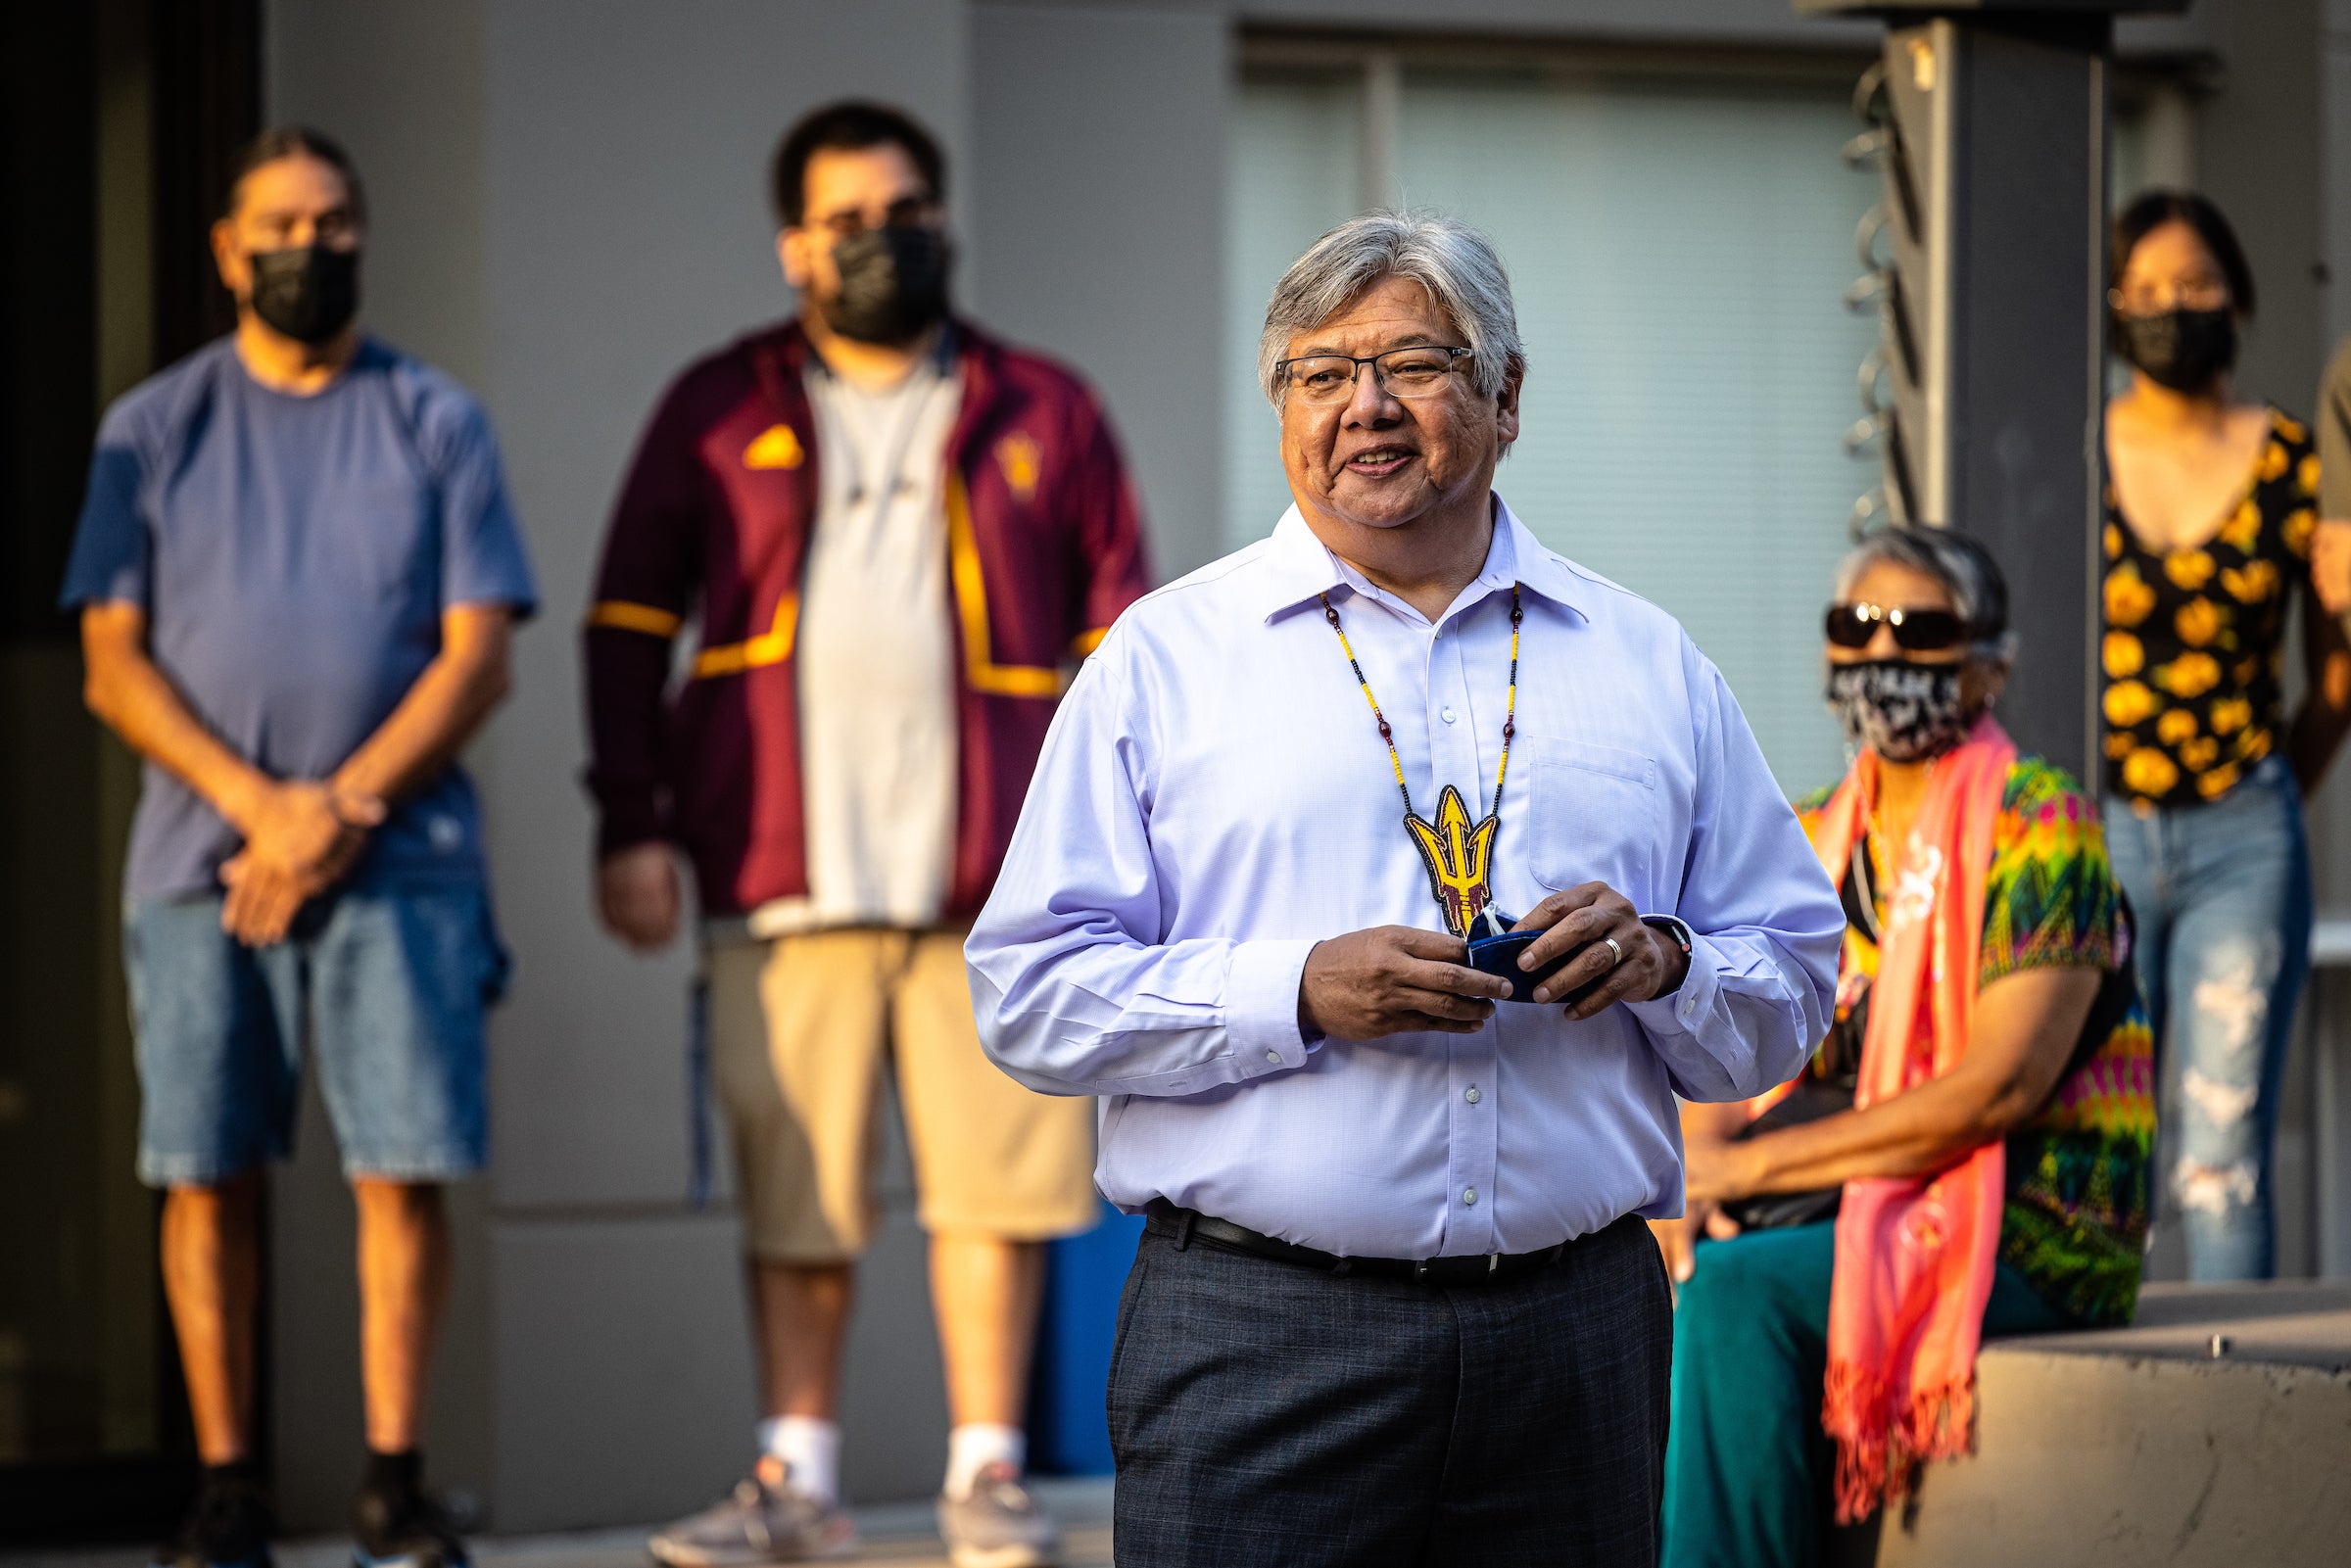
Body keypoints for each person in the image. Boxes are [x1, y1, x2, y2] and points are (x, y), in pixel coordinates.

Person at [964, 211, 1845, 1568]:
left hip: (1578, 1340)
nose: (1365, 408)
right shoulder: (1167, 661)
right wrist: (1293, 991)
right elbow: (1026, 995)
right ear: (1281, 410)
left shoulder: (1648, 662)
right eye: (1321, 374)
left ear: (1505, 399)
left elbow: (1793, 976)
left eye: (1416, 366)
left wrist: (1668, 960)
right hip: (1261, 1341)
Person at [583, 102, 1149, 1568]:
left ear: (941, 220)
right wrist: (633, 821)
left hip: (995, 881)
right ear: (794, 246)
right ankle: (799, 1479)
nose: (881, 237)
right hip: (784, 868)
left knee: (996, 1189)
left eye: (905, 208)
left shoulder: (1046, 406)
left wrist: (1119, 849)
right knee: (801, 1193)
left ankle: (986, 1476)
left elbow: (1126, 643)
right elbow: (624, 622)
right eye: (847, 217)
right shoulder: (717, 405)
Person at [61, 128, 536, 1568]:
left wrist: (329, 810)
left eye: (334, 222)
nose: (308, 247)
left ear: (363, 236)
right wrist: (261, 805)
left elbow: (478, 656)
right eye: (279, 224)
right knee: (206, 1170)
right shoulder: (147, 429)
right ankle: (228, 1482)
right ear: (224, 248)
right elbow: (108, 659)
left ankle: (394, 1475)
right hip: (199, 869)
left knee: (402, 1167)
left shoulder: (435, 419)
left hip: (402, 865)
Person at [1655, 526, 2154, 1568]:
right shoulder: (1806, 836)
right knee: (1663, 1266)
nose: (1882, 655)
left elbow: (1997, 1085)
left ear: (1990, 664)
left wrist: (1743, 1167)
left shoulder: (2042, 824)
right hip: (1847, 1207)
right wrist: (1693, 1186)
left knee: (1739, 1292)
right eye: (1857, 627)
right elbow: (1731, 1048)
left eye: (1919, 629)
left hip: (2035, 1221)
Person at [2099, 190, 2351, 1281]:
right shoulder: (2070, 447)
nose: (2172, 308)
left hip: (2245, 834)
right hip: (2094, 831)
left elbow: (2339, 664)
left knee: (2221, 1154)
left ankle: (2233, 1395)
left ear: (2240, 299)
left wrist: (2274, 791)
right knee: (2107, 1147)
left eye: (2195, 284)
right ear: (2113, 311)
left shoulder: (2297, 460)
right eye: (2145, 291)